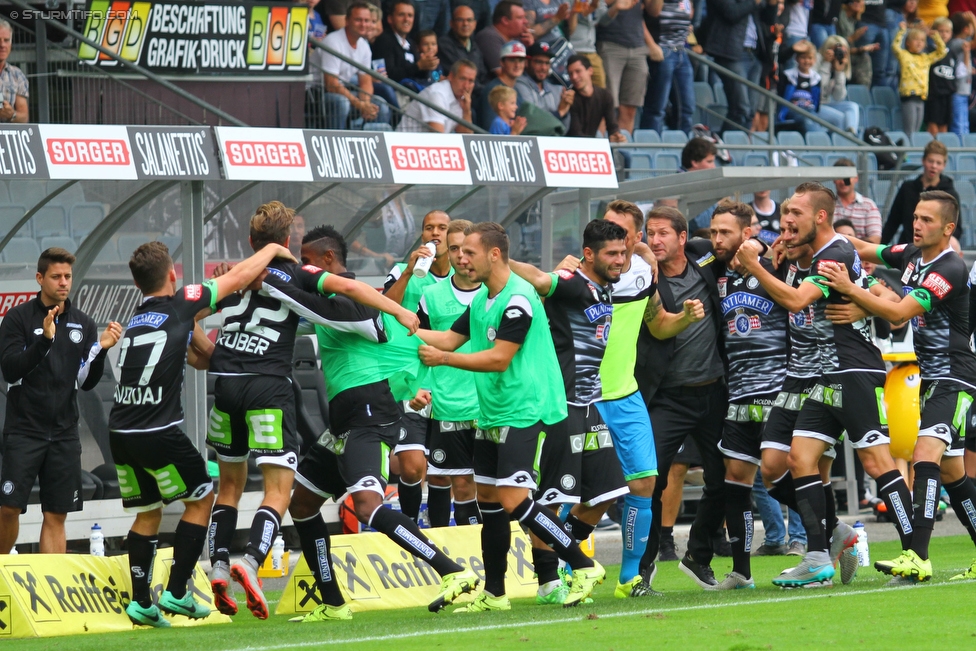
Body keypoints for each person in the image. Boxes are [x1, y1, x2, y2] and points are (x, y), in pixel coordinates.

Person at [205, 202, 420, 620]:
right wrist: (397, 309)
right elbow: (351, 292)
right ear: (286, 243)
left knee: (229, 488)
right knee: (279, 492)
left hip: (225, 383)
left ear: (251, 242)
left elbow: (195, 329)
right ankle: (250, 561)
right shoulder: (295, 273)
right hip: (268, 387)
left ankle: (216, 565)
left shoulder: (233, 279)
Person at [266, 225, 479, 623]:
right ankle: (332, 601)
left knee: (366, 505)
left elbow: (371, 322)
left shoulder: (348, 296)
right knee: (303, 502)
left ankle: (453, 571)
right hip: (347, 417)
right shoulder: (343, 296)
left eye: (309, 262)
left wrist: (267, 278)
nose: (305, 270)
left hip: (368, 411)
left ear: (328, 260)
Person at [416, 222, 606, 611]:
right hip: (493, 414)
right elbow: (448, 339)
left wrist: (444, 360)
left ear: (494, 254)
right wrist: (399, 328)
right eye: (459, 253)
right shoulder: (484, 298)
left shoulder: (518, 298)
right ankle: (495, 593)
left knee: (515, 498)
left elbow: (500, 358)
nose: (461, 259)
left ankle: (583, 564)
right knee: (488, 500)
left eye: (468, 252)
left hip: (528, 412)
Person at [734, 182, 915, 588]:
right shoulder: (804, 250)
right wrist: (770, 250)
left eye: (794, 215)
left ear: (819, 216)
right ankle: (826, 546)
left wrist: (757, 264)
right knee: (788, 464)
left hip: (851, 369)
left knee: (875, 463)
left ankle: (915, 552)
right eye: (783, 216)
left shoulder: (834, 253)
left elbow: (801, 300)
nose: (785, 223)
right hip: (814, 374)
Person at [111, 240, 291, 627]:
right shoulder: (180, 304)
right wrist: (273, 247)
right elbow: (240, 276)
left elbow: (198, 354)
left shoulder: (138, 317)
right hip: (158, 431)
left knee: (148, 512)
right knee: (202, 498)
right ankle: (177, 593)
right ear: (173, 274)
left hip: (120, 431)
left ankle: (142, 601)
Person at [542, 203, 707, 597]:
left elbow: (658, 324)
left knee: (644, 483)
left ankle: (629, 578)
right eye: (607, 234)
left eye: (622, 234)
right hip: (581, 398)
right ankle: (561, 569)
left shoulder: (641, 274)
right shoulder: (571, 277)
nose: (614, 241)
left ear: (634, 238)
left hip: (625, 395)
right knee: (573, 493)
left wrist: (683, 317)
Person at [824, 191, 976, 583]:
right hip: (931, 381)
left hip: (956, 379)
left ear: (948, 228)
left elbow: (898, 315)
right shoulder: (911, 255)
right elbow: (862, 247)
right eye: (916, 217)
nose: (917, 224)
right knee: (952, 475)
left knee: (925, 457)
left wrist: (856, 293)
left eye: (927, 219)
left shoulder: (950, 269)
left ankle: (917, 556)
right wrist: (820, 236)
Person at [509, 220, 635, 604]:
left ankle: (565, 557)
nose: (619, 260)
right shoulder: (574, 283)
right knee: (552, 497)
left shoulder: (603, 290)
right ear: (589, 255)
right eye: (611, 254)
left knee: (606, 493)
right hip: (561, 406)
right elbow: (536, 278)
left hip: (589, 403)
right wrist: (496, 260)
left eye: (623, 252)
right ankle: (549, 582)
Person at [0, 248, 120, 554]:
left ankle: (46, 594)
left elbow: (86, 381)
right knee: (9, 508)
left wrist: (102, 349)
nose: (63, 282)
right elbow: (10, 369)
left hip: (65, 434)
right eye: (56, 276)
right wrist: (45, 340)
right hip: (24, 431)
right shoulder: (18, 318)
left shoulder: (84, 323)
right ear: (40, 279)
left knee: (56, 514)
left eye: (67, 276)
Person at [635, 206, 729, 591]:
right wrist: (641, 253)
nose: (655, 241)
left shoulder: (704, 253)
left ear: (681, 236)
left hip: (714, 392)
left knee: (726, 477)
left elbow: (735, 244)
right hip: (667, 397)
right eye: (649, 234)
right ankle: (643, 565)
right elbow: (657, 330)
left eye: (662, 234)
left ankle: (699, 555)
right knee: (649, 480)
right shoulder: (645, 278)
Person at [383, 210, 453, 523]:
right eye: (429, 228)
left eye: (442, 228)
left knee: (442, 473)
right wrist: (409, 273)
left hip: (451, 382)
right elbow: (383, 310)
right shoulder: (402, 270)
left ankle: (438, 537)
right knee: (412, 465)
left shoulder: (464, 276)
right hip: (411, 379)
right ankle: (409, 528)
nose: (435, 233)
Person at [413, 219, 483, 529]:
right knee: (440, 476)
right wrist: (421, 388)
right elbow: (415, 344)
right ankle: (440, 553)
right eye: (453, 248)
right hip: (446, 402)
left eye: (466, 249)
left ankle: (481, 552)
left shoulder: (495, 295)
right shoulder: (431, 295)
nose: (459, 256)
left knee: (473, 483)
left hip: (486, 404)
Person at [320, 1, 391, 128]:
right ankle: (336, 141)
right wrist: (359, 104)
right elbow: (331, 85)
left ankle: (367, 144)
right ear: (347, 20)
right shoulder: (333, 41)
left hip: (343, 91)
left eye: (367, 20)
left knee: (380, 105)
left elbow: (366, 82)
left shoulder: (364, 46)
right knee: (342, 102)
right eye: (358, 20)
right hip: (316, 94)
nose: (363, 24)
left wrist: (366, 103)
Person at [883, 140, 961, 244]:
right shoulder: (907, 188)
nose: (934, 166)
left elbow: (956, 229)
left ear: (944, 165)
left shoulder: (950, 194)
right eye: (930, 161)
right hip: (907, 248)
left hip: (934, 251)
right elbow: (892, 223)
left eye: (938, 163)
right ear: (923, 160)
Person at [701, 0, 757, 130]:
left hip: (755, 54)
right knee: (740, 109)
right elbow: (732, 13)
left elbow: (768, 18)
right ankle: (725, 148)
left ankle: (741, 148)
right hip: (730, 52)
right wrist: (754, 2)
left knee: (750, 113)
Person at [643, 0, 695, 134]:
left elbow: (689, 13)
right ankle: (651, 147)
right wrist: (651, 45)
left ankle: (682, 148)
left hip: (681, 50)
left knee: (686, 107)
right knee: (657, 106)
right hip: (663, 49)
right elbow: (653, 12)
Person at [777, 40, 849, 133]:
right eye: (803, 57)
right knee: (809, 120)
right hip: (793, 110)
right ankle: (820, 143)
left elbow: (819, 100)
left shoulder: (816, 78)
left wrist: (839, 71)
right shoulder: (788, 75)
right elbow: (781, 99)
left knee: (839, 119)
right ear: (797, 59)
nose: (807, 61)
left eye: (810, 58)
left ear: (814, 60)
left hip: (811, 110)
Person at [595, 0, 645, 134]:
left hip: (637, 45)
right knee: (606, 106)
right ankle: (603, 151)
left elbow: (654, 12)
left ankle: (622, 153)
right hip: (610, 44)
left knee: (629, 109)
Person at [892, 23, 948, 135]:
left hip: (921, 98)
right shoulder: (904, 55)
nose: (919, 42)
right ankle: (906, 152)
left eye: (922, 40)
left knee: (916, 131)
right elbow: (895, 47)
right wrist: (902, 31)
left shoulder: (925, 58)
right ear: (907, 43)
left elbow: (942, 52)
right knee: (910, 130)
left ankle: (913, 151)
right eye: (915, 39)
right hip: (909, 97)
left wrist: (936, 37)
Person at [397, 59, 477, 132]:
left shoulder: (462, 98)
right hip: (404, 144)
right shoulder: (437, 94)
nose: (466, 86)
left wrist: (466, 111)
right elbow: (437, 136)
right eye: (462, 79)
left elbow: (466, 137)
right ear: (451, 76)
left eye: (471, 81)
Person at [371, 1, 441, 84]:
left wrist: (427, 66)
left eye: (410, 15)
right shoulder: (384, 41)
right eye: (401, 15)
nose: (406, 19)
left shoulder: (411, 43)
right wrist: (418, 66)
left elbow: (418, 74)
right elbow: (388, 75)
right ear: (390, 19)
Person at [515, 42, 574, 131]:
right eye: (539, 62)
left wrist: (565, 113)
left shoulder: (557, 90)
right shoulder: (519, 84)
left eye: (547, 63)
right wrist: (560, 112)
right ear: (527, 62)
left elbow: (565, 129)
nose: (544, 68)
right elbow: (533, 121)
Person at [566, 54, 626, 140]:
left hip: (591, 145)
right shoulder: (570, 97)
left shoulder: (605, 96)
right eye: (570, 74)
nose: (574, 77)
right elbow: (575, 133)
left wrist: (616, 136)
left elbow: (612, 126)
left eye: (578, 71)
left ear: (590, 71)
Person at [475, 0, 535, 76]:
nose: (526, 21)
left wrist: (530, 48)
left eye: (525, 17)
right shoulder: (488, 37)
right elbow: (504, 75)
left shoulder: (517, 39)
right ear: (505, 20)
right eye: (520, 18)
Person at [816, 35, 862, 133]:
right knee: (840, 118)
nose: (838, 54)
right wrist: (826, 65)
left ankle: (851, 134)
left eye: (842, 51)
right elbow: (818, 93)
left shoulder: (839, 64)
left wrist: (839, 72)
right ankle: (842, 144)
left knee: (852, 106)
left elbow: (838, 97)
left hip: (827, 104)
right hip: (814, 105)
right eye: (835, 50)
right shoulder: (816, 60)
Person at [832, 158, 883, 243]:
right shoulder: (827, 205)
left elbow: (875, 239)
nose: (843, 182)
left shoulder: (868, 206)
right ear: (834, 179)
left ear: (856, 178)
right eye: (839, 177)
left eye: (847, 178)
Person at [479, 41, 527, 130]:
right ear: (502, 62)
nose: (517, 65)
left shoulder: (517, 91)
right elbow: (491, 130)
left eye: (521, 60)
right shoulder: (493, 90)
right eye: (512, 60)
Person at [439, 5, 489, 85]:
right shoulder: (444, 45)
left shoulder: (475, 46)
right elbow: (461, 77)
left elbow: (483, 75)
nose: (465, 24)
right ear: (451, 23)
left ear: (475, 24)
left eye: (469, 20)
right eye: (460, 20)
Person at [925, 18, 957, 137]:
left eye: (947, 31)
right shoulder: (929, 51)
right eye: (941, 31)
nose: (944, 34)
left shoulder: (952, 53)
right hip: (934, 94)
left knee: (944, 126)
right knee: (933, 125)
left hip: (947, 94)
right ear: (934, 32)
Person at [566, 0, 608, 88]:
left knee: (600, 87)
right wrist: (588, 10)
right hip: (573, 49)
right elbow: (567, 20)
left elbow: (604, 20)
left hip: (591, 49)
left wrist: (596, 7)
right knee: (573, 87)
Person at [837, 0, 878, 87]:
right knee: (864, 59)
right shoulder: (840, 16)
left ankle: (863, 92)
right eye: (855, 1)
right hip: (838, 55)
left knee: (865, 57)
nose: (857, 3)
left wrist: (862, 49)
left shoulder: (853, 20)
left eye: (860, 1)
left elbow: (849, 50)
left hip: (848, 54)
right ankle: (862, 92)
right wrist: (852, 38)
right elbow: (838, 46)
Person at [948, 11, 975, 139]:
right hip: (957, 91)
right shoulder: (958, 43)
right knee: (958, 124)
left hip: (964, 91)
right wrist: (974, 21)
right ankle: (958, 148)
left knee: (965, 124)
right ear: (965, 29)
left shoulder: (962, 43)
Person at [0, 20, 28, 123]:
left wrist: (12, 114)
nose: (2, 45)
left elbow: (24, 117)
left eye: (6, 40)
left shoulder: (17, 75)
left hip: (7, 136)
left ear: (11, 45)